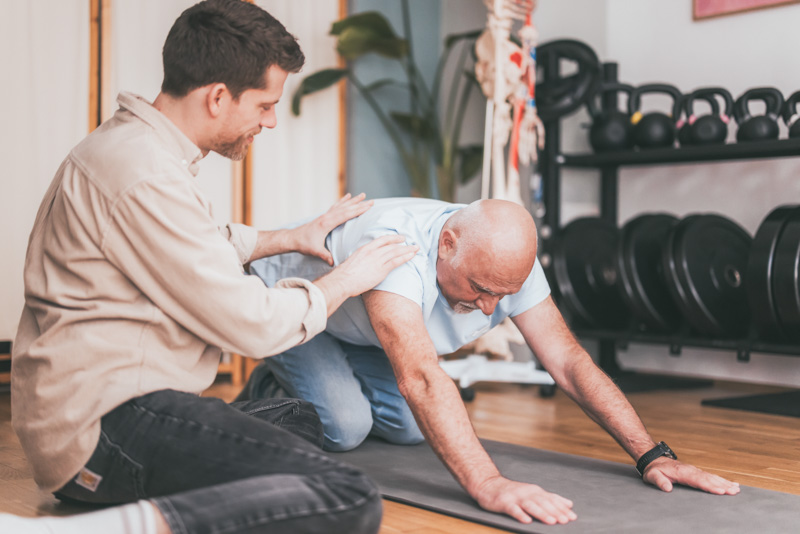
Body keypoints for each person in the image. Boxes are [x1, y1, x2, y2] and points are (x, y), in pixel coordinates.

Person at [1, 1, 419, 534]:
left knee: (300, 419)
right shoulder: (144, 173)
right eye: (265, 105)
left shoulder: (134, 150)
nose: (270, 120)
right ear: (218, 97)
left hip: (113, 410)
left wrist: (291, 238)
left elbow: (194, 245)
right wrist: (347, 279)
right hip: (105, 427)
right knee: (348, 495)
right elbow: (253, 325)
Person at [241, 196, 742, 527]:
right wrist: (488, 483)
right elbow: (420, 378)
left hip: (363, 330)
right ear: (447, 245)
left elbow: (567, 361)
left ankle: (335, 377)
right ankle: (270, 387)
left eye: (501, 295)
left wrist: (651, 454)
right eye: (480, 289)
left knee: (410, 429)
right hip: (295, 309)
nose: (488, 309)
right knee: (347, 426)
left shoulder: (505, 263)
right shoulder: (396, 251)